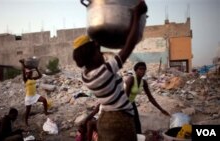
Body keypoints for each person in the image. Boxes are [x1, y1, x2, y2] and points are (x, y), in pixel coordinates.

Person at [72, 1, 148, 141]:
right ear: (91, 56)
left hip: (106, 117)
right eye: (98, 51)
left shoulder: (86, 76)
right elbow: (129, 46)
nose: (101, 54)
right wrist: (136, 15)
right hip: (119, 119)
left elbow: (90, 55)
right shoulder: (105, 71)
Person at [125, 62, 170, 134]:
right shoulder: (131, 79)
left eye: (144, 69)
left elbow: (150, 98)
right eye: (140, 69)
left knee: (137, 124)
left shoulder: (144, 82)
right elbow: (125, 97)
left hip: (131, 102)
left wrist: (161, 109)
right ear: (135, 70)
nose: (142, 71)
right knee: (127, 124)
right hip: (123, 103)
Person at [19, 59, 49, 126]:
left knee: (44, 100)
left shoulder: (33, 78)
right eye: (29, 73)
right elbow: (23, 71)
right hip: (29, 97)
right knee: (28, 111)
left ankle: (46, 112)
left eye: (31, 73)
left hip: (34, 95)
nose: (30, 73)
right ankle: (26, 122)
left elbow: (40, 76)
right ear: (27, 74)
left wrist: (37, 69)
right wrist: (22, 63)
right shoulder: (25, 80)